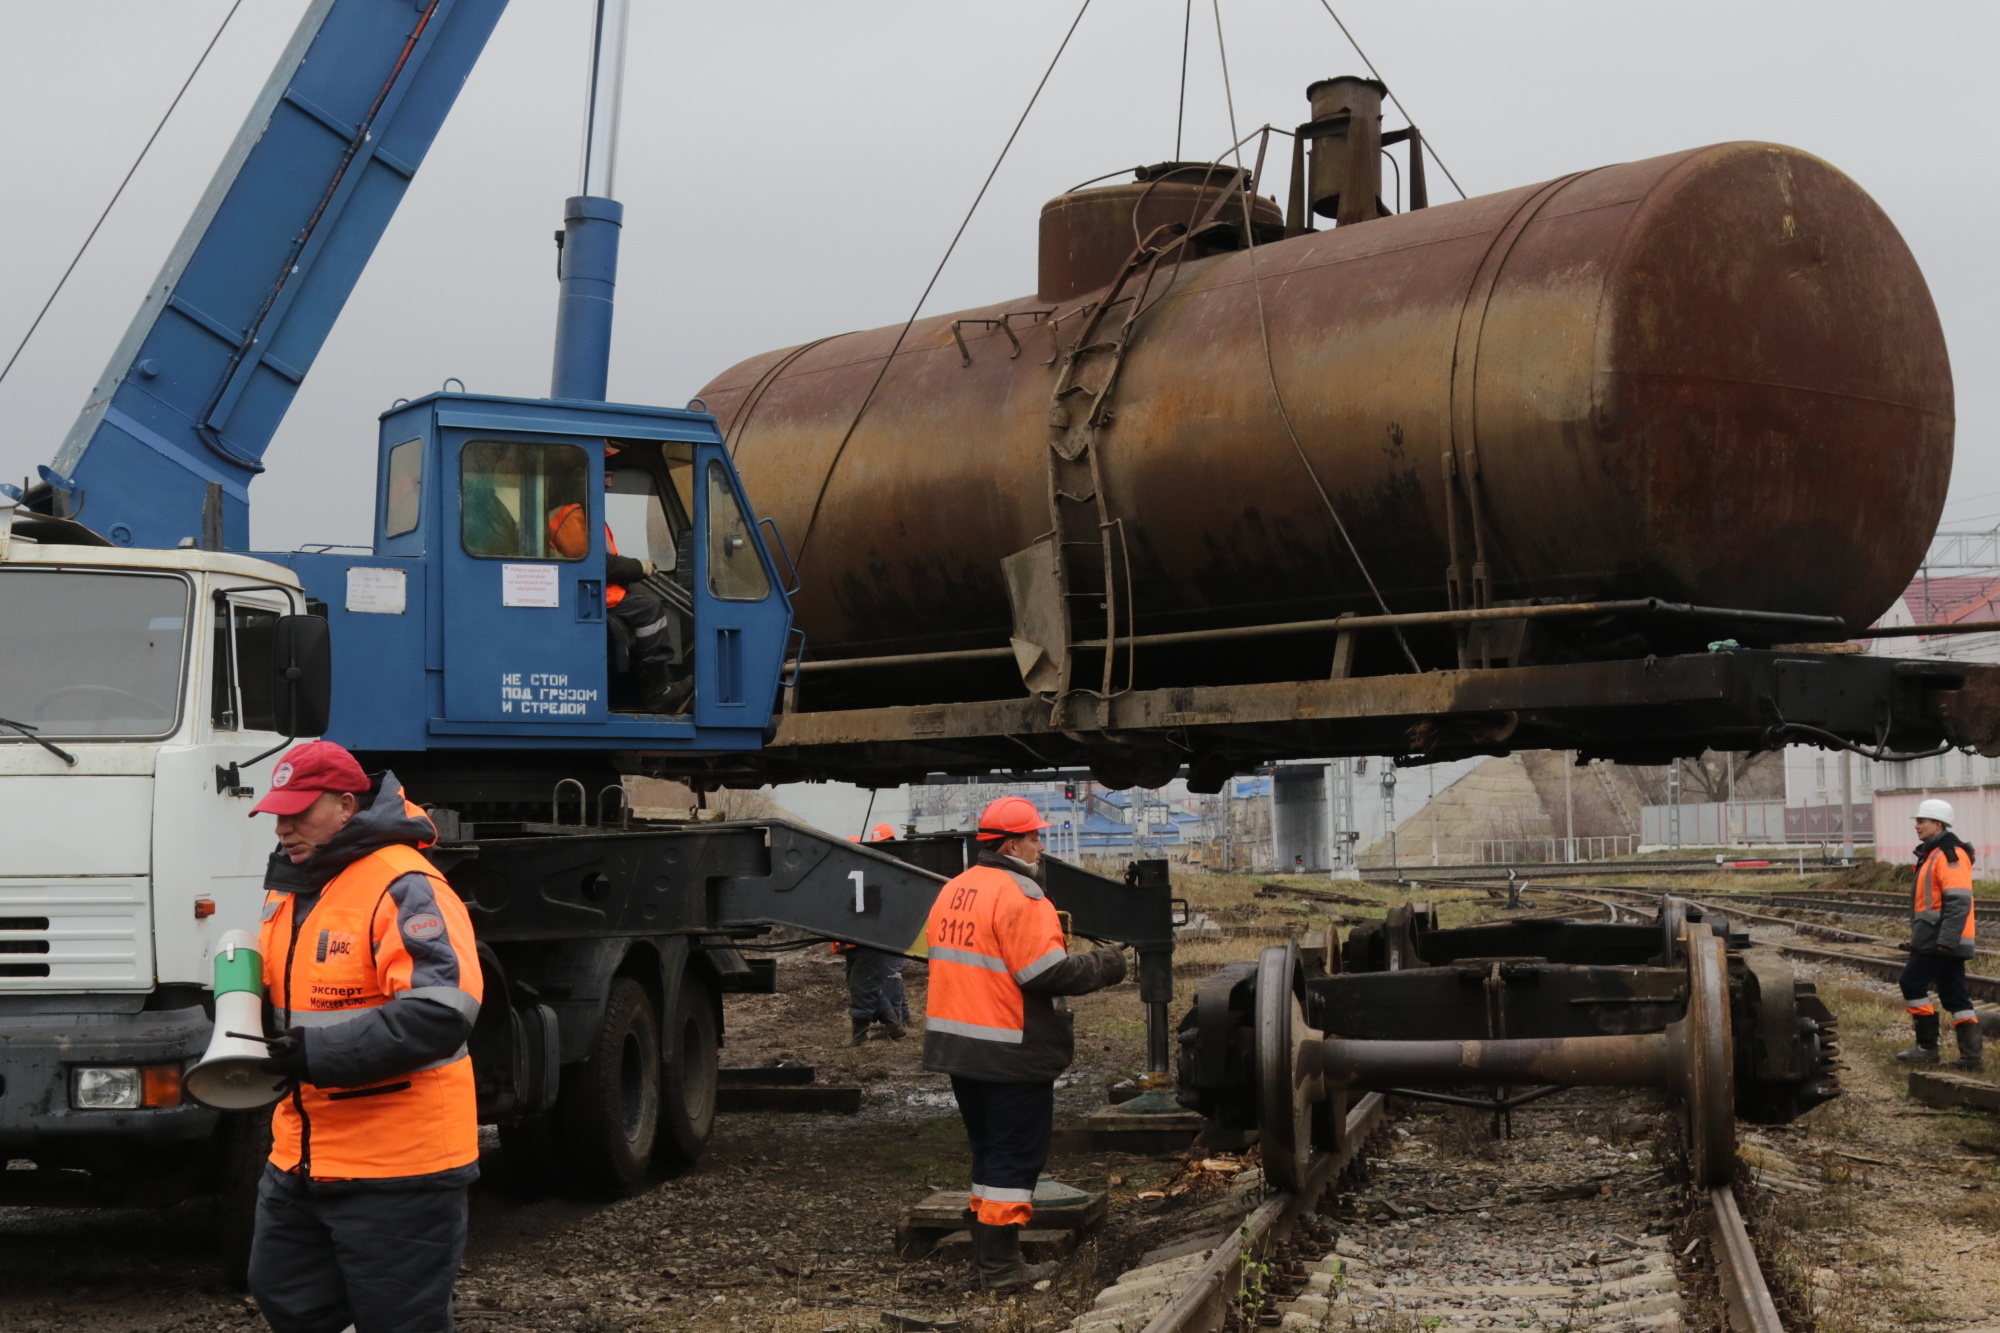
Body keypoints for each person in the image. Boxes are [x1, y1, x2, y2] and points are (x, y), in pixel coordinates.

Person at [243, 741, 485, 1333]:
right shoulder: (291, 887)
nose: (284, 827)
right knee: (285, 1297)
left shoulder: (403, 883)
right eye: (278, 813)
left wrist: (312, 1055)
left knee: (399, 1321)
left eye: (300, 812)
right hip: (301, 1158)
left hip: (400, 1165)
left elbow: (441, 1011)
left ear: (346, 806)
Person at [923, 796, 1126, 1291]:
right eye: (1035, 836)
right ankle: (1002, 1271)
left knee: (990, 1152)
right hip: (1009, 1049)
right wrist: (1106, 964)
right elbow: (1045, 972)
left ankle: (988, 1255)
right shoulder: (1023, 894)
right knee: (1015, 1158)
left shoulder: (956, 888)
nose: (1041, 845)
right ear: (1012, 843)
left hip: (961, 1047)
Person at [548, 445, 685, 711]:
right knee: (649, 609)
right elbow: (593, 564)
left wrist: (635, 569)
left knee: (644, 600)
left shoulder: (585, 512)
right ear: (583, 475)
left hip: (598, 590)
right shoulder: (571, 515)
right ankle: (657, 689)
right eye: (606, 475)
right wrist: (638, 567)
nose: (610, 482)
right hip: (587, 594)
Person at [1896, 798, 1983, 1069]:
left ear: (1938, 823)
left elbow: (1959, 902)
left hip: (1942, 940)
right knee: (1955, 995)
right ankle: (1971, 1060)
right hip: (1941, 939)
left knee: (1911, 981)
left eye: (1922, 821)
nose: (1917, 826)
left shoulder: (1948, 855)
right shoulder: (1933, 853)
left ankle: (1927, 1048)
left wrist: (1946, 940)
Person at [837, 823, 910, 1045]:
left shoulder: (871, 881)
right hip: (859, 944)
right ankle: (894, 1023)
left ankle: (861, 1035)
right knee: (862, 984)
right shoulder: (855, 882)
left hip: (869, 942)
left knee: (878, 981)